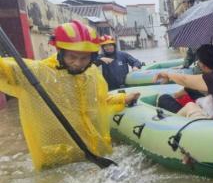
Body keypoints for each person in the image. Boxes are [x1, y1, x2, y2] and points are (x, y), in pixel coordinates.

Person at [0, 20, 140, 170]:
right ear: (61, 52)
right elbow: (5, 70)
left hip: (92, 152)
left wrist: (123, 98)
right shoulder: (38, 72)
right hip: (56, 160)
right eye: (72, 57)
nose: (78, 63)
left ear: (92, 57)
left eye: (84, 58)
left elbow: (100, 100)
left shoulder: (91, 73)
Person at [156, 44, 213, 118]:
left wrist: (168, 75)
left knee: (164, 99)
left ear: (203, 65)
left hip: (207, 116)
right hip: (212, 107)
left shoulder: (211, 78)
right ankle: (174, 96)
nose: (197, 63)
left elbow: (184, 80)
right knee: (191, 89)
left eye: (199, 61)